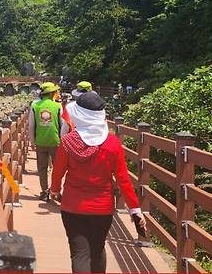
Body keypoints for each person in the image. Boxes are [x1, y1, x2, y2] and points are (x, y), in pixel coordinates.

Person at [49, 92, 145, 273]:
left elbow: (58, 172)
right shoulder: (112, 144)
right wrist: (134, 209)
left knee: (79, 253)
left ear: (79, 115)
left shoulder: (68, 142)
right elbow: (123, 180)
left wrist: (54, 190)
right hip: (102, 208)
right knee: (97, 248)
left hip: (72, 206)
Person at [28, 81, 64, 201]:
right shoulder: (58, 106)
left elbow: (31, 126)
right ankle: (56, 190)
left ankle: (44, 191)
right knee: (57, 168)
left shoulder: (35, 106)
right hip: (55, 141)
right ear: (52, 93)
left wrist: (32, 141)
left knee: (42, 168)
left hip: (40, 141)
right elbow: (62, 124)